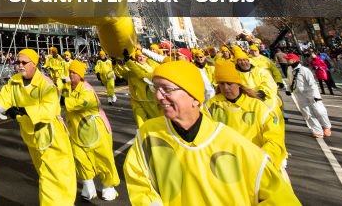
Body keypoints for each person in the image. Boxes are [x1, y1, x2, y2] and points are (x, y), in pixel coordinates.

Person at [124, 60, 301, 205]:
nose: (158, 96)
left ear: (194, 98)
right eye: (156, 88)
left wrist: (266, 157)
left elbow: (282, 198)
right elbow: (139, 181)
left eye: (167, 89)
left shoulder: (239, 144)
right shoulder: (148, 134)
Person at [0, 48, 76, 205]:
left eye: (24, 62)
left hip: (53, 138)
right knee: (44, 174)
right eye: (18, 62)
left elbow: (49, 109)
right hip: (32, 139)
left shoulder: (46, 84)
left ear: (34, 64)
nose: (20, 65)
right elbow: (2, 99)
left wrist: (23, 110)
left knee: (55, 178)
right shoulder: (14, 82)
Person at [205, 59, 287, 169]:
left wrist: (262, 159)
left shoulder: (257, 106)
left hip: (257, 163)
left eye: (229, 83)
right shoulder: (211, 106)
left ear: (238, 84)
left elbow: (275, 139)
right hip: (226, 166)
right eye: (221, 84)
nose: (225, 88)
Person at [64, 59, 120, 201]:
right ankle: (88, 186)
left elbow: (78, 104)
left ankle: (109, 186)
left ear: (81, 75)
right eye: (70, 72)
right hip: (77, 132)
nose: (71, 75)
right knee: (80, 159)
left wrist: (63, 100)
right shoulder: (69, 88)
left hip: (95, 131)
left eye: (74, 73)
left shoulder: (87, 90)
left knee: (103, 158)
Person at [286, 53, 332, 138]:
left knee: (320, 111)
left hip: (311, 93)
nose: (287, 60)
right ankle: (317, 130)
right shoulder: (289, 69)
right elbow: (290, 80)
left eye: (288, 59)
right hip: (299, 94)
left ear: (294, 60)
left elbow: (312, 84)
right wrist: (288, 89)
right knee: (307, 113)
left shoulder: (305, 70)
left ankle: (326, 126)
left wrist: (315, 96)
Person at [116, 49, 159, 127]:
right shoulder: (130, 66)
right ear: (136, 57)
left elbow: (142, 75)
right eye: (139, 56)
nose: (142, 58)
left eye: (143, 56)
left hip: (152, 101)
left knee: (156, 123)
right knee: (142, 125)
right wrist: (117, 65)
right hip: (137, 101)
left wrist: (128, 62)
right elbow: (122, 74)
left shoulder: (153, 66)